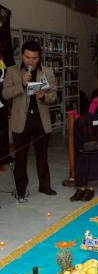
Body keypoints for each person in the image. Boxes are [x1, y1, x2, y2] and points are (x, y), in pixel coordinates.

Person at [2, 40, 57, 202]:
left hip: (40, 120)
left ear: (39, 57)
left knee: (42, 155)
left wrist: (43, 96)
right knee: (21, 157)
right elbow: (5, 94)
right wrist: (22, 84)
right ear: (22, 55)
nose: (30, 61)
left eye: (34, 58)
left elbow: (53, 95)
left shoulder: (46, 72)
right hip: (21, 121)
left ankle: (45, 186)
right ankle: (21, 190)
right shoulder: (12, 71)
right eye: (27, 57)